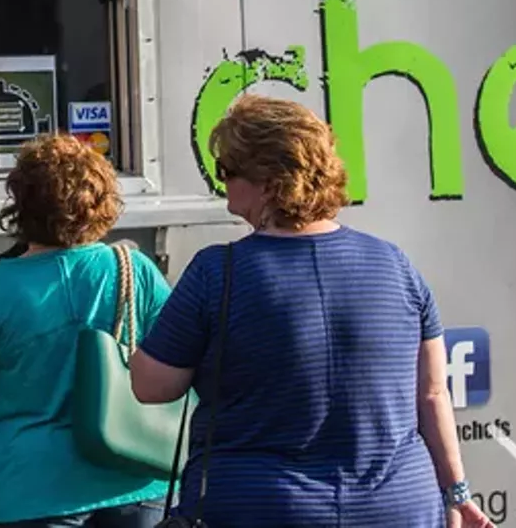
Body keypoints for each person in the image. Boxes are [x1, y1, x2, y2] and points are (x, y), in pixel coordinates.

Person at [129, 94, 495, 528]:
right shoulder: (396, 264)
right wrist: (457, 493)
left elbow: (152, 385)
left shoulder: (217, 272)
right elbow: (432, 394)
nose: (221, 185)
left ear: (268, 181)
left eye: (227, 171)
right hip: (397, 508)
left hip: (261, 508)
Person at [0, 133, 172, 528]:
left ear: (20, 205)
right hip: (136, 476)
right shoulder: (135, 271)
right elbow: (176, 366)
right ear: (101, 202)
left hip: (29, 491)